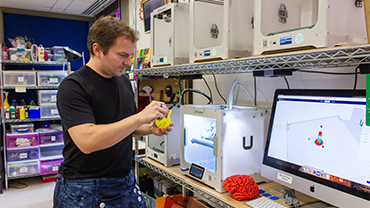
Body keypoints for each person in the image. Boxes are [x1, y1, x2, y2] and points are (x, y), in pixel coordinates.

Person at [53, 16, 172, 208]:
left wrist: (150, 128)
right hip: (84, 188)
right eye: (122, 55)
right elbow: (88, 141)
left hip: (124, 181)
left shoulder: (123, 81)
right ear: (97, 49)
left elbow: (126, 126)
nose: (128, 62)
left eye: (130, 55)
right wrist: (140, 116)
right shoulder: (73, 86)